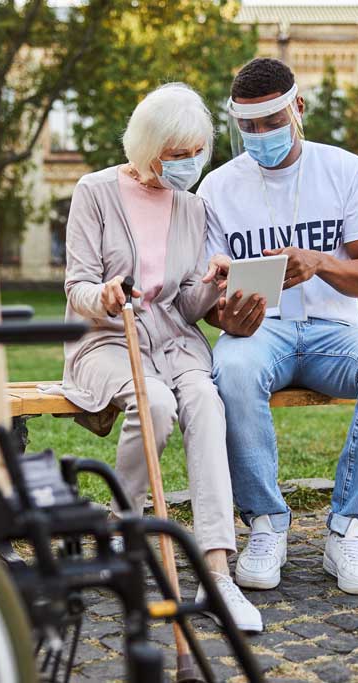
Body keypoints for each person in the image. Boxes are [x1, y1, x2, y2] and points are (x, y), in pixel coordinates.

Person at [197, 58, 358, 596]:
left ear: (299, 108)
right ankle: (267, 525)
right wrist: (224, 314)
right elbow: (207, 295)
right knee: (228, 368)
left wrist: (320, 263)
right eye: (247, 125)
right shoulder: (217, 187)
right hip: (260, 331)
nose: (260, 135)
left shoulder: (345, 170)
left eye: (272, 121)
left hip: (333, 329)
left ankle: (349, 529)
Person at [60, 83, 263, 631]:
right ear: (148, 149)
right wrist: (102, 295)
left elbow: (185, 302)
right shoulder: (94, 191)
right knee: (153, 405)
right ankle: (121, 532)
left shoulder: (193, 207)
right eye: (178, 156)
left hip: (172, 340)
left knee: (203, 401)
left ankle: (219, 572)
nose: (190, 165)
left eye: (198, 153)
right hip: (107, 339)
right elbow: (76, 283)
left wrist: (213, 282)